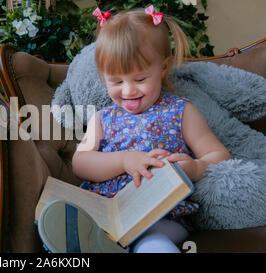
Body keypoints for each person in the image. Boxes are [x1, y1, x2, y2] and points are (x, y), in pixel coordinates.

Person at [72, 5, 231, 253]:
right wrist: (124, 160)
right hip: (109, 215)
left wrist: (196, 167)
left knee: (152, 242)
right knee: (88, 227)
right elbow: (80, 163)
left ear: (163, 68)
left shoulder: (180, 112)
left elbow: (220, 155)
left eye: (140, 79)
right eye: (115, 81)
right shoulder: (103, 118)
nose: (128, 91)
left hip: (161, 216)